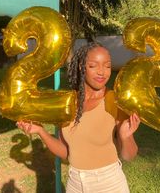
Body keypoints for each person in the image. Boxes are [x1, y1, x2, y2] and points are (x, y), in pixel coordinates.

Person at [17, 42, 140, 192]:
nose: (102, 72)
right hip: (75, 183)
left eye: (107, 66)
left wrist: (125, 137)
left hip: (108, 184)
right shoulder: (68, 103)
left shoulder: (114, 101)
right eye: (94, 66)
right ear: (82, 67)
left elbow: (129, 156)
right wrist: (40, 131)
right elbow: (66, 152)